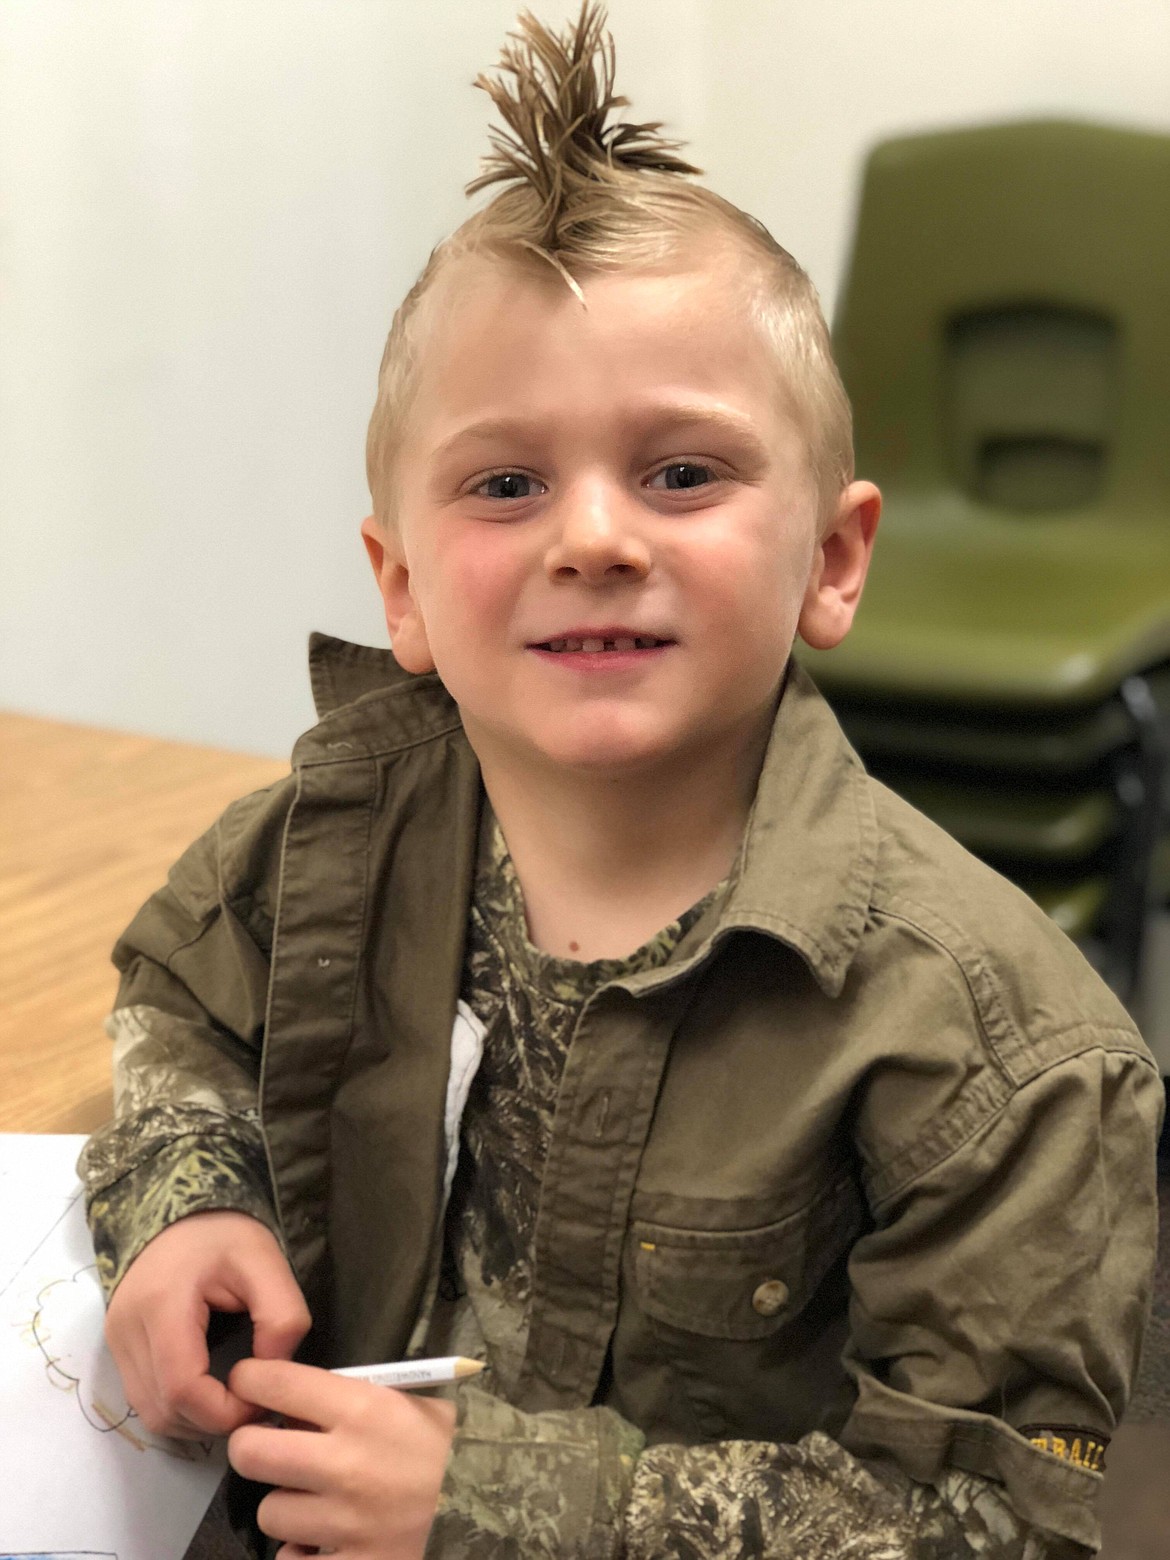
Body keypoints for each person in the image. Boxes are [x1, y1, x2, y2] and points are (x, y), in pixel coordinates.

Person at [80, 5, 1163, 1557]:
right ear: (401, 591)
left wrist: (492, 1505)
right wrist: (188, 1202)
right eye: (506, 482)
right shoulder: (337, 836)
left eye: (681, 471)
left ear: (832, 559)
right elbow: (178, 1002)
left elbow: (985, 1526)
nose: (592, 536)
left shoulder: (1008, 1062)